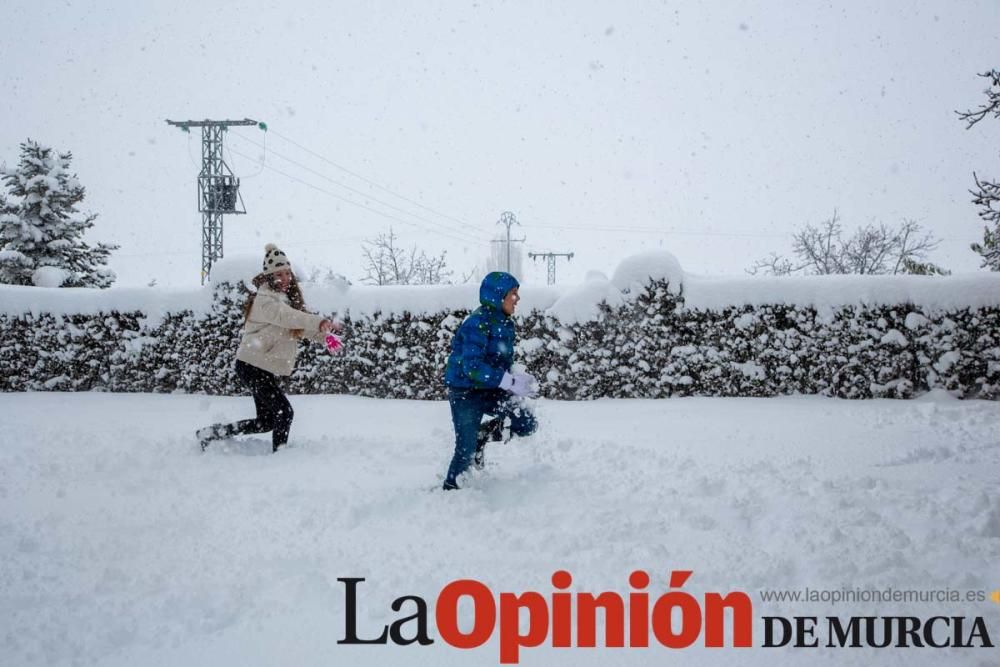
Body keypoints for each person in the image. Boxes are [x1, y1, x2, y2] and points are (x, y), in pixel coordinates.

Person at [197, 243, 338, 453]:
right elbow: (287, 318)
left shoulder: (284, 300)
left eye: (287, 274)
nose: (285, 279)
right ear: (269, 276)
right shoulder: (265, 300)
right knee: (284, 412)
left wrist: (323, 337)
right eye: (278, 274)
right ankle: (279, 456)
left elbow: (295, 326)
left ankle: (211, 433)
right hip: (250, 366)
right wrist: (318, 321)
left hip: (258, 366)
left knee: (266, 422)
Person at [441, 271, 539, 490]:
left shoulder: (505, 324)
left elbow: (501, 361)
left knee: (525, 421)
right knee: (465, 449)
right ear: (497, 296)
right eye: (513, 294)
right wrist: (509, 382)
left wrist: (516, 377)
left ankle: (483, 434)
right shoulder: (476, 323)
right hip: (465, 392)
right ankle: (450, 490)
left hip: (490, 388)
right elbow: (472, 368)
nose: (518, 299)